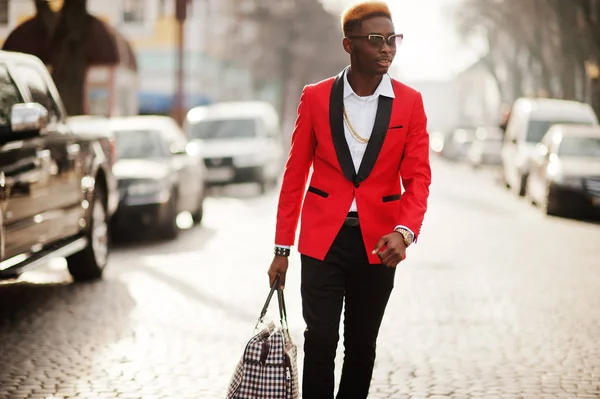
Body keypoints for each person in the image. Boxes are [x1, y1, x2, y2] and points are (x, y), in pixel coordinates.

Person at [267, 1, 432, 397]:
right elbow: (294, 177)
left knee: (361, 346)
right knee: (320, 341)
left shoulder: (409, 103)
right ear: (349, 45)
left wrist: (404, 232)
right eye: (376, 40)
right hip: (323, 240)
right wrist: (281, 248)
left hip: (379, 243)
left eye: (393, 40)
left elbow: (418, 178)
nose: (387, 48)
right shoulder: (316, 97)